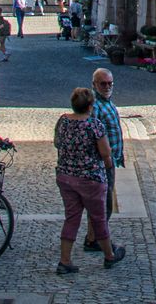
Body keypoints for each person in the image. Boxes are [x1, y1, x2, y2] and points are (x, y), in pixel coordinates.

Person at [55, 86, 125, 273]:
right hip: (91, 179)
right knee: (98, 218)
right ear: (91, 105)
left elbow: (56, 143)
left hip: (66, 176)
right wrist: (108, 166)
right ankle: (110, 255)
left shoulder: (63, 121)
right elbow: (105, 153)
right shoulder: (94, 125)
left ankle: (65, 260)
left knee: (71, 218)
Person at [81, 68, 125, 255]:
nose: (107, 87)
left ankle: (92, 238)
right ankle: (97, 241)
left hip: (111, 160)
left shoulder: (107, 102)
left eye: (110, 83)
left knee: (103, 203)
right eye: (103, 84)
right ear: (94, 84)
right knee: (103, 204)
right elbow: (91, 133)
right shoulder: (96, 106)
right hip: (102, 162)